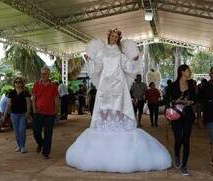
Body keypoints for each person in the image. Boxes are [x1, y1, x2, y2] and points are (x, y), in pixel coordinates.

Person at [66, 28, 171, 173]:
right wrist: (89, 59)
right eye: (112, 36)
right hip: (105, 86)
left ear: (118, 39)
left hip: (119, 85)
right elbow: (97, 67)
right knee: (104, 109)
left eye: (116, 37)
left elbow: (127, 67)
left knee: (119, 108)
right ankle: (104, 134)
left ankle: (119, 133)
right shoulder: (102, 52)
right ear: (108, 36)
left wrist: (133, 61)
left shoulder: (119, 54)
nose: (114, 39)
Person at [164, 64, 196, 176]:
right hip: (176, 115)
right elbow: (167, 101)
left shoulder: (191, 85)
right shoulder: (173, 86)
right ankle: (177, 154)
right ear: (182, 72)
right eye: (188, 70)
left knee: (186, 140)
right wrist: (176, 101)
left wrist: (190, 102)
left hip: (188, 116)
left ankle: (184, 166)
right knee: (178, 139)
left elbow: (195, 99)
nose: (190, 72)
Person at [32, 67, 59, 159]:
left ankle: (45, 153)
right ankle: (41, 143)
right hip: (38, 113)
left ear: (49, 74)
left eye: (45, 74)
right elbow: (33, 99)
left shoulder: (53, 86)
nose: (43, 75)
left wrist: (57, 111)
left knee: (48, 134)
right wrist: (34, 110)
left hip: (50, 114)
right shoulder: (36, 85)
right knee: (36, 132)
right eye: (42, 74)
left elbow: (56, 99)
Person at [4, 77, 31, 153]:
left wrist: (28, 113)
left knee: (22, 130)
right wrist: (4, 114)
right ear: (14, 83)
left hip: (23, 114)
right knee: (16, 131)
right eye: (16, 82)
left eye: (19, 82)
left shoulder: (26, 92)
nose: (17, 83)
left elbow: (29, 103)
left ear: (22, 83)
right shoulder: (11, 93)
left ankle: (23, 146)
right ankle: (19, 145)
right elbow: (8, 104)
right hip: (14, 114)